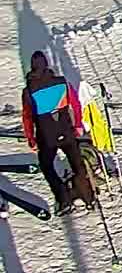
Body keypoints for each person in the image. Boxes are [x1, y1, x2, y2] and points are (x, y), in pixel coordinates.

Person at [19, 53, 97, 214]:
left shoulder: (28, 91)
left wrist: (31, 140)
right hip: (67, 131)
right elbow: (75, 104)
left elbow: (27, 118)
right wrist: (77, 124)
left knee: (47, 165)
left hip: (46, 137)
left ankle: (64, 199)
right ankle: (88, 197)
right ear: (47, 65)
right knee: (78, 165)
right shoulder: (62, 83)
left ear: (32, 67)